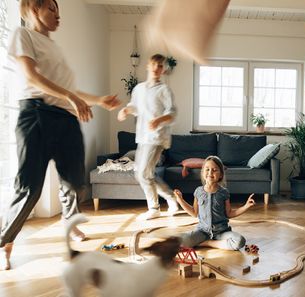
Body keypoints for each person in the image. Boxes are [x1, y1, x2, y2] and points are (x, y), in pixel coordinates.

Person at [0, 0, 120, 270]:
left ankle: (69, 218)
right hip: (36, 115)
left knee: (75, 180)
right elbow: (31, 77)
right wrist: (70, 97)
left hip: (65, 118)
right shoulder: (24, 35)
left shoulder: (53, 47)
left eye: (58, 9)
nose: (58, 14)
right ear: (33, 10)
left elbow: (69, 89)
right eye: (51, 9)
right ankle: (5, 242)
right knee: (30, 188)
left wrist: (98, 100)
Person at [117, 54, 179, 221]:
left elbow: (172, 113)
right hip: (142, 136)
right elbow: (135, 107)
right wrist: (125, 111)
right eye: (154, 64)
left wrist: (159, 119)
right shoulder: (139, 89)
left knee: (144, 173)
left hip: (157, 137)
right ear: (148, 65)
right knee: (142, 173)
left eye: (160, 66)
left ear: (163, 70)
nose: (156, 68)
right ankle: (172, 198)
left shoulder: (164, 90)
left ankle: (154, 208)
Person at [174, 156, 256, 250]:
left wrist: (246, 206)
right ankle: (213, 243)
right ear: (202, 172)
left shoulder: (224, 192)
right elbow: (194, 213)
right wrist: (180, 199)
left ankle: (207, 243)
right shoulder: (198, 191)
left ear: (221, 174)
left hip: (221, 232)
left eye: (214, 170)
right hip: (202, 232)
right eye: (207, 169)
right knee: (179, 241)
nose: (210, 172)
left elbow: (229, 213)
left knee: (239, 241)